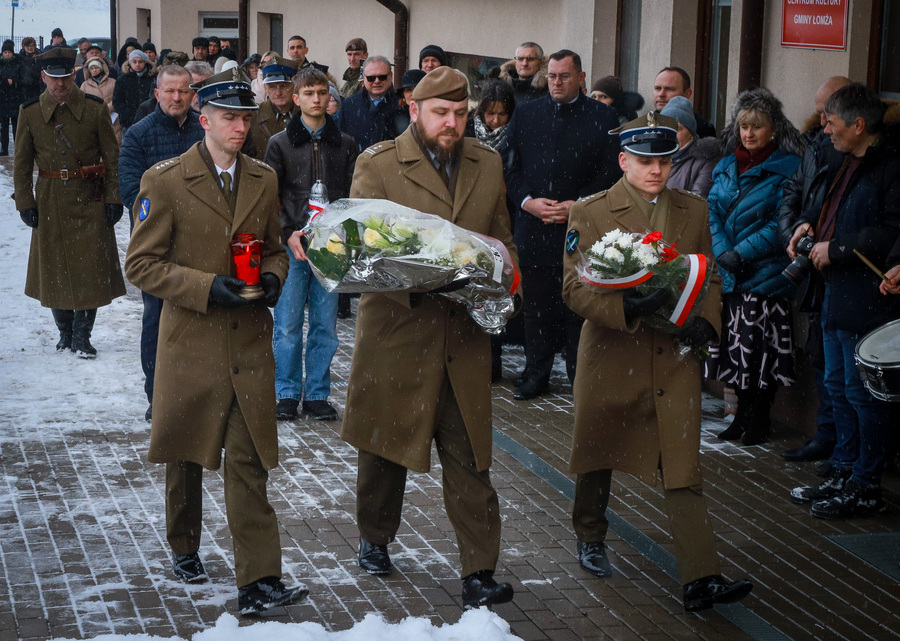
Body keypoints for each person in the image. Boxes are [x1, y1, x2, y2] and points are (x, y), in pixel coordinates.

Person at [123, 67, 307, 616]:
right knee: (185, 452)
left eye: (246, 118)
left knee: (249, 460)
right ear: (204, 120)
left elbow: (274, 245)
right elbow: (142, 265)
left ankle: (260, 579)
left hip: (248, 342)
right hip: (191, 341)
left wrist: (274, 276)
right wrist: (207, 287)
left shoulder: (262, 177)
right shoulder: (166, 180)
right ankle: (184, 545)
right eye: (229, 118)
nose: (240, 127)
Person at [342, 66, 519, 609]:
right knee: (384, 449)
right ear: (414, 110)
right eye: (442, 113)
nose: (453, 124)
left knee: (470, 456)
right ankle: (374, 536)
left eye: (461, 114)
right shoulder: (377, 164)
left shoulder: (487, 164)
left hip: (463, 338)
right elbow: (362, 251)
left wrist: (504, 285)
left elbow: (503, 241)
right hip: (398, 332)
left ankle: (478, 571)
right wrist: (432, 276)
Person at [563, 112, 753, 613]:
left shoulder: (692, 210)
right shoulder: (592, 211)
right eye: (645, 161)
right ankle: (589, 534)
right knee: (597, 450)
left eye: (665, 161)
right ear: (624, 161)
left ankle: (700, 576)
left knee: (682, 464)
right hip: (613, 351)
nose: (657, 170)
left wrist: (706, 323)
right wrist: (624, 306)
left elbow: (708, 276)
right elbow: (573, 287)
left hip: (674, 356)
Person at [788, 83, 900, 519]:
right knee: (837, 385)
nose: (825, 129)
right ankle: (844, 468)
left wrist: (836, 249)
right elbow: (816, 204)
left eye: (831, 121)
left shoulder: (890, 167)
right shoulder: (842, 160)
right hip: (834, 293)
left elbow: (891, 231)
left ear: (858, 125)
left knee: (860, 394)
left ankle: (864, 482)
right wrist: (803, 224)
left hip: (867, 298)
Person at [502, 49, 620, 400]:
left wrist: (579, 205)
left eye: (564, 76)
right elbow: (510, 166)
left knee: (577, 310)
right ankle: (536, 373)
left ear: (581, 78)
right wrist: (528, 202)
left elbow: (612, 172)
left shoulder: (604, 116)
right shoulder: (526, 114)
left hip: (580, 230)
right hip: (535, 225)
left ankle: (578, 377)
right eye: (552, 76)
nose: (556, 83)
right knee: (536, 309)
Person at [704, 87, 804, 446]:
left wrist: (742, 253)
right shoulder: (726, 165)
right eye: (744, 126)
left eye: (757, 127)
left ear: (773, 129)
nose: (749, 134)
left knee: (760, 354)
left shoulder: (788, 168)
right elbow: (712, 210)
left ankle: (759, 417)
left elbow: (781, 223)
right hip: (730, 272)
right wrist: (722, 249)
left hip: (764, 275)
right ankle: (740, 416)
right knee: (734, 350)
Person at [14, 47, 125, 358]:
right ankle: (64, 332)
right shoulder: (30, 112)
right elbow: (22, 164)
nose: (59, 85)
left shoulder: (95, 109)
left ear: (74, 75)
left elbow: (112, 159)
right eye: (53, 78)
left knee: (89, 267)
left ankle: (82, 335)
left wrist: (113, 198)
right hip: (49, 200)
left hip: (90, 196)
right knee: (54, 267)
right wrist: (25, 202)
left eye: (64, 78)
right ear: (43, 77)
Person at [264, 67, 358, 422]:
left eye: (322, 92)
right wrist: (288, 230)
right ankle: (286, 392)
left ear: (330, 97)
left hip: (331, 246)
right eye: (309, 93)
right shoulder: (280, 144)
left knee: (325, 323)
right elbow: (270, 196)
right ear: (296, 97)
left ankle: (317, 393)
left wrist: (342, 233)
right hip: (293, 244)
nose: (317, 100)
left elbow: (351, 194)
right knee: (287, 323)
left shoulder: (345, 143)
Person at [118, 64, 206, 422]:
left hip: (203, 242)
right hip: (157, 246)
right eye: (169, 91)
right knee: (157, 318)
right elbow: (130, 191)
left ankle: (199, 390)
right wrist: (171, 218)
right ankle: (157, 392)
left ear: (192, 94)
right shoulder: (139, 134)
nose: (176, 97)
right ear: (157, 94)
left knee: (202, 316)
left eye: (183, 91)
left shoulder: (206, 128)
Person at [776, 76, 850, 467]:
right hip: (814, 268)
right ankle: (827, 437)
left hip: (843, 274)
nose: (822, 123)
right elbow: (795, 193)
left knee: (844, 373)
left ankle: (845, 452)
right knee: (823, 361)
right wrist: (795, 232)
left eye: (828, 115)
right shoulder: (815, 145)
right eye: (819, 112)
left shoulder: (857, 156)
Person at [337, 55, 403, 152]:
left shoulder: (401, 105)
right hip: (358, 165)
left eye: (382, 77)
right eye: (371, 78)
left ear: (391, 76)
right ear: (364, 77)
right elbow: (341, 142)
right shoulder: (350, 105)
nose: (377, 81)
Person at [660, 96, 720, 198]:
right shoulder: (652, 157)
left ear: (691, 133)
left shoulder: (705, 163)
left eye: (677, 128)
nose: (670, 133)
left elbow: (696, 203)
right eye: (666, 128)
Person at [245, 55, 299, 159]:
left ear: (294, 86)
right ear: (265, 88)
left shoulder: (305, 114)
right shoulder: (253, 116)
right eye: (272, 87)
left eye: (283, 86)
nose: (278, 93)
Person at [652, 67, 715, 138]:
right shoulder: (644, 124)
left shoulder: (702, 129)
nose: (661, 94)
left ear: (687, 94)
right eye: (658, 88)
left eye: (669, 89)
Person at [81, 57, 122, 146]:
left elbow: (117, 99)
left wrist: (105, 109)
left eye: (96, 67)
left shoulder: (113, 82)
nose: (94, 70)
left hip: (112, 119)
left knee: (114, 144)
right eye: (92, 68)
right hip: (93, 119)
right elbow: (82, 102)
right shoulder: (84, 85)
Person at [113, 50, 155, 131]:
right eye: (134, 62)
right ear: (129, 63)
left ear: (145, 62)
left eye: (140, 62)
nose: (137, 64)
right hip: (128, 122)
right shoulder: (122, 80)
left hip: (150, 120)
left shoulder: (152, 79)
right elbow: (117, 101)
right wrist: (129, 115)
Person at [0, 40, 23, 155]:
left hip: (15, 98)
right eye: (5, 52)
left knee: (16, 126)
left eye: (9, 52)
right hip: (3, 99)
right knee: (3, 126)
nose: (7, 54)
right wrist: (5, 82)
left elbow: (22, 79)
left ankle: (17, 149)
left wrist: (14, 82)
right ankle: (4, 149)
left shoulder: (18, 63)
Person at [18, 37, 43, 102]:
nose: (30, 48)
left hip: (38, 89)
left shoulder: (40, 57)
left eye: (32, 45)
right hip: (24, 90)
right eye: (28, 46)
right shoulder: (19, 59)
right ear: (24, 46)